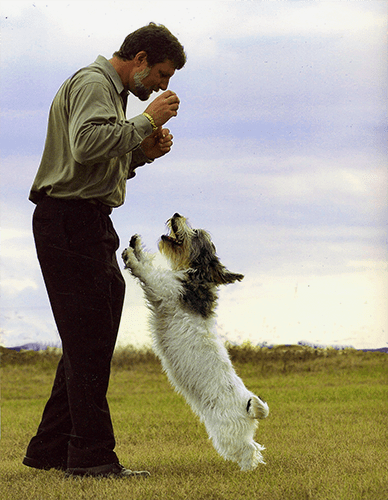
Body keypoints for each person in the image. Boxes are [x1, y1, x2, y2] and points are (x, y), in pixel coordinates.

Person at [22, 23, 186, 478]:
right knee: (90, 339)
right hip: (71, 221)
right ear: (138, 59)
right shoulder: (96, 84)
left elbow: (93, 162)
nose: (161, 85)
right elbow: (86, 143)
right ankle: (91, 456)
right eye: (160, 74)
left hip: (84, 221)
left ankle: (51, 448)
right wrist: (148, 120)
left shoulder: (109, 93)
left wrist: (141, 153)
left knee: (85, 340)